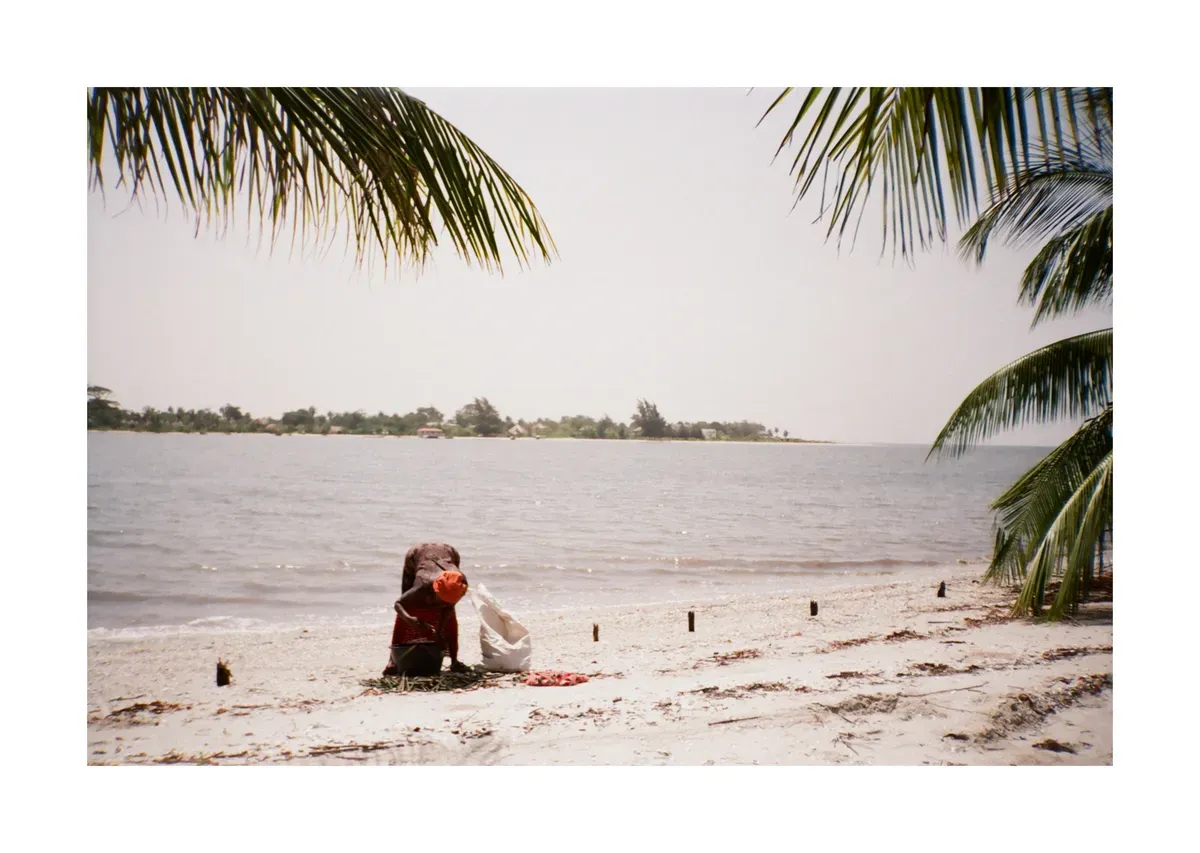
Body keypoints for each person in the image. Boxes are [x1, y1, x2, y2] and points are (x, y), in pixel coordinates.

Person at [383, 543, 470, 676]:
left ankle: (454, 661)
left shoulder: (459, 584)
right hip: (417, 554)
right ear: (434, 590)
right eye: (439, 600)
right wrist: (410, 619)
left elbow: (448, 609)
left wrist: (439, 632)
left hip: (449, 551)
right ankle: (393, 661)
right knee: (408, 608)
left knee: (450, 619)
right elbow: (399, 604)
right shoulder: (423, 583)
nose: (441, 604)